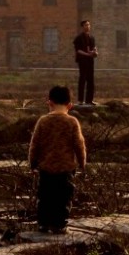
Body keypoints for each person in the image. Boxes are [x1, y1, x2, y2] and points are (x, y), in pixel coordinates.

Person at [28, 85, 87, 234]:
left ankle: (43, 224)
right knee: (63, 197)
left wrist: (32, 163)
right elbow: (79, 145)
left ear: (49, 103)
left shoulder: (43, 121)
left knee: (45, 197)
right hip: (66, 168)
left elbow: (34, 145)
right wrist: (82, 163)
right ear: (70, 105)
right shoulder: (72, 122)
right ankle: (59, 225)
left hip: (46, 167)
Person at [73, 19, 98, 105]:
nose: (88, 26)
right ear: (82, 27)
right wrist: (87, 54)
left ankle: (89, 100)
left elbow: (94, 48)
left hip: (90, 61)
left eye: (89, 25)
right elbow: (78, 50)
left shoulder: (92, 38)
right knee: (82, 79)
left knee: (91, 80)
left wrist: (95, 52)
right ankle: (80, 100)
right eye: (86, 25)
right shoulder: (78, 38)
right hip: (82, 61)